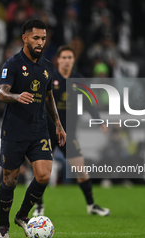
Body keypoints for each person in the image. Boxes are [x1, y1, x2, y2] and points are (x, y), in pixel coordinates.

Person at [0, 19, 66, 238]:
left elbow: (48, 96)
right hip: (14, 130)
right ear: (25, 38)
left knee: (44, 176)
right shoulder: (12, 64)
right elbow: (0, 93)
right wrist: (16, 96)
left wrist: (58, 123)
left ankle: (22, 216)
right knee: (10, 180)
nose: (40, 42)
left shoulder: (47, 66)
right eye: (36, 38)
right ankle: (2, 227)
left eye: (43, 38)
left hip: (38, 130)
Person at [33, 45, 110, 217]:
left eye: (70, 58)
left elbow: (89, 101)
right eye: (64, 57)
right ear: (58, 60)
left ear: (73, 60)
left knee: (81, 171)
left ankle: (91, 206)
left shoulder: (79, 80)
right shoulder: (50, 77)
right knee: (42, 173)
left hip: (69, 134)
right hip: (47, 132)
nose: (67, 60)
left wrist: (98, 120)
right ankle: (39, 206)